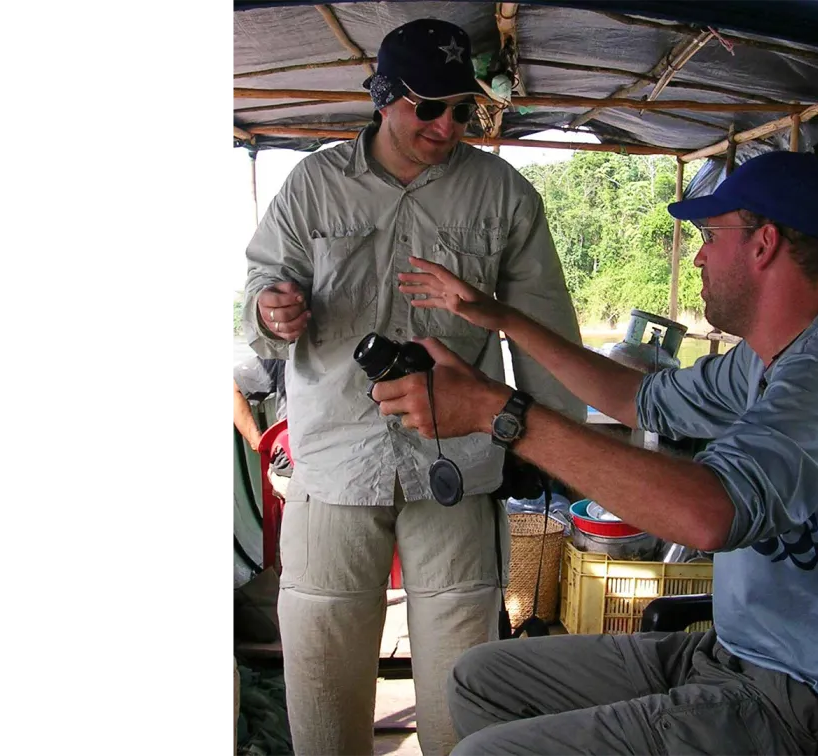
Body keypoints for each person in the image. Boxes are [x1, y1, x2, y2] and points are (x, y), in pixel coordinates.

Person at [375, 150, 818, 755]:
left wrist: (499, 415)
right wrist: (498, 317)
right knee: (480, 680)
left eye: (710, 235)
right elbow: (635, 398)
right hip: (735, 652)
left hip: (811, 700)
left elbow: (711, 516)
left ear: (763, 245)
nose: (699, 255)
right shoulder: (764, 358)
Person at [239, 17, 585, 756]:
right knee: (323, 687)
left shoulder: (505, 196)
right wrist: (273, 309)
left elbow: (545, 330)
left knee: (465, 689)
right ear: (384, 96)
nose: (447, 125)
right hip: (334, 465)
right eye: (429, 106)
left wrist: (556, 445)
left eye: (464, 108)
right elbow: (260, 296)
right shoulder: (312, 187)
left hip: (457, 465)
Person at [230, 356, 292, 497]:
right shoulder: (286, 352)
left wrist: (258, 442)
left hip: (292, 470)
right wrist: (257, 442)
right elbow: (233, 388)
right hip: (294, 473)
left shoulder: (289, 348)